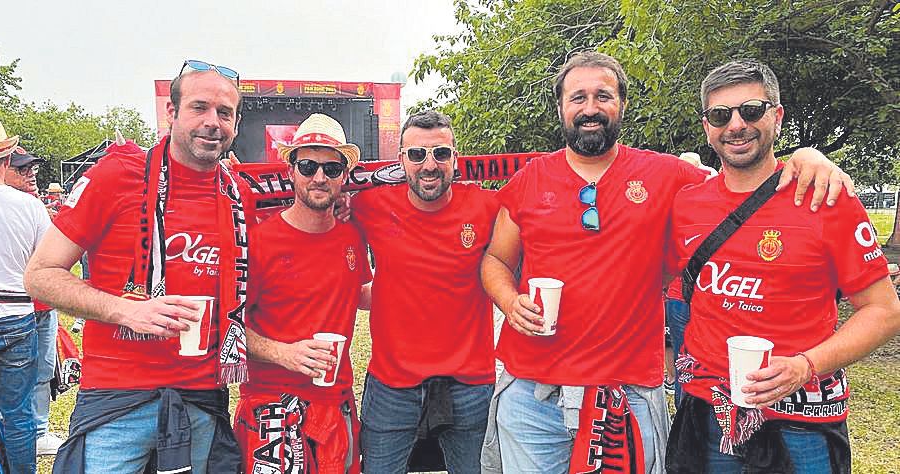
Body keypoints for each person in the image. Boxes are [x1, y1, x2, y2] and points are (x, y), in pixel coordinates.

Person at [479, 51, 853, 474]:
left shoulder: (667, 175)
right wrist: (510, 302)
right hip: (533, 394)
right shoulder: (530, 178)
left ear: (621, 104)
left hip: (628, 391)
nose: (590, 108)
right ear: (561, 108)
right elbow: (495, 258)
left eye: (603, 95)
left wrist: (807, 156)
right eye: (577, 97)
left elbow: (743, 189)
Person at [665, 59, 900, 473]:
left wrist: (804, 367)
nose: (736, 125)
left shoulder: (827, 198)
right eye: (721, 115)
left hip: (801, 420)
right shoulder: (685, 204)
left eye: (751, 111)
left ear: (777, 116)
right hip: (707, 410)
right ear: (707, 128)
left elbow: (883, 310)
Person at [24, 60, 248, 473]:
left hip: (201, 399)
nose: (212, 122)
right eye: (199, 107)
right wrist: (127, 309)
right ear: (172, 112)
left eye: (225, 112)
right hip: (117, 401)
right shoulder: (118, 174)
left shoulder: (238, 195)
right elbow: (40, 274)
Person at [351, 110, 498, 473]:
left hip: (470, 383)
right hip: (392, 384)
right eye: (417, 154)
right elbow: (313, 208)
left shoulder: (486, 207)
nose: (429, 165)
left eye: (440, 154)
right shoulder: (369, 206)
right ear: (401, 160)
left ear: (455, 158)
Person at [234, 113, 371, 473]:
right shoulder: (259, 243)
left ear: (344, 175)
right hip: (272, 408)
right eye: (308, 165)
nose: (320, 177)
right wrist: (283, 353)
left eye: (331, 167)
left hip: (335, 403)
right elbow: (226, 327)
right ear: (291, 171)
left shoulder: (351, 237)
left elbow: (361, 293)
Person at [0, 115, 49, 474]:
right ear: (5, 160)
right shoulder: (31, 206)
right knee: (19, 414)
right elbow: (47, 266)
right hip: (17, 316)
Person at [0, 145, 65, 456]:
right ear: (3, 169)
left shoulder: (32, 205)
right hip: (13, 310)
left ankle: (38, 432)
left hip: (41, 307)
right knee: (2, 380)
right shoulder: (5, 206)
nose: (32, 173)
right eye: (22, 169)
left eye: (33, 167)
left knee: (43, 370)